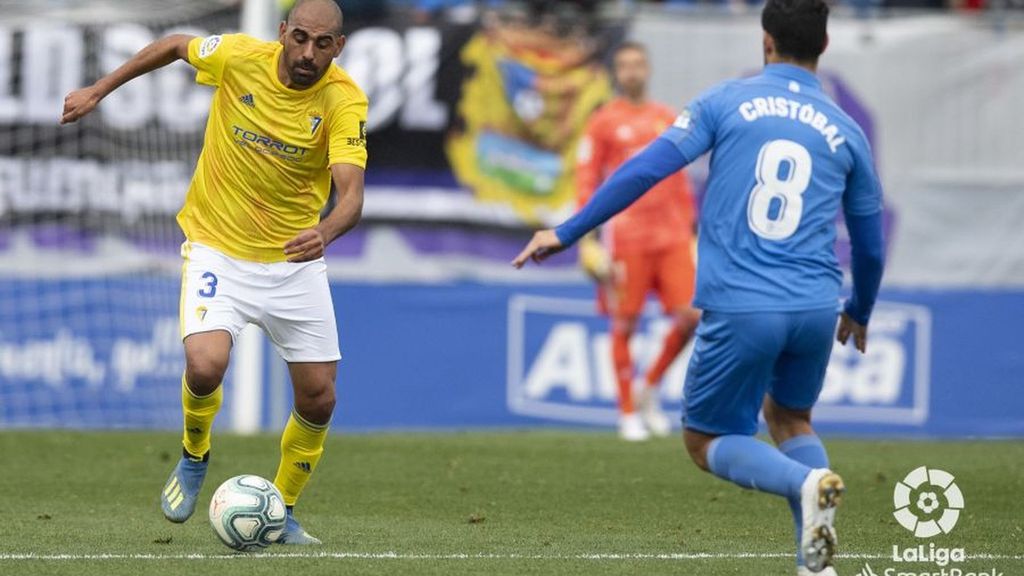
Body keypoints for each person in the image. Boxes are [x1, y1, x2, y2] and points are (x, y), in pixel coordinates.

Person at [513, 0, 886, 571]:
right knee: (791, 419)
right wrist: (859, 309)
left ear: (766, 41)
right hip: (816, 305)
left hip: (742, 303)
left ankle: (806, 482)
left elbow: (644, 169)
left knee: (704, 440)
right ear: (825, 45)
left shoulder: (724, 101)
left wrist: (568, 231)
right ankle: (816, 563)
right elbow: (870, 245)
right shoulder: (848, 130)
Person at [61, 0, 368, 545]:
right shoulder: (238, 57)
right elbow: (174, 45)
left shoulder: (343, 100)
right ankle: (194, 453)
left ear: (337, 47)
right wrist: (98, 90)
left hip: (294, 261)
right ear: (282, 32)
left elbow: (351, 197)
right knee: (205, 366)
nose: (308, 53)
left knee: (319, 397)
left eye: (323, 44)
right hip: (218, 248)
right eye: (300, 38)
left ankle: (282, 509)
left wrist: (325, 232)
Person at [576, 41, 699, 441]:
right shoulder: (603, 122)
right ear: (616, 72)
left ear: (648, 68)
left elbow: (680, 181)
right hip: (627, 236)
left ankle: (649, 386)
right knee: (625, 322)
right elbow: (586, 179)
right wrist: (587, 237)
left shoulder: (667, 118)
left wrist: (692, 232)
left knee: (692, 316)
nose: (632, 71)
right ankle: (627, 412)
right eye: (624, 65)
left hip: (672, 234)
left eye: (638, 64)